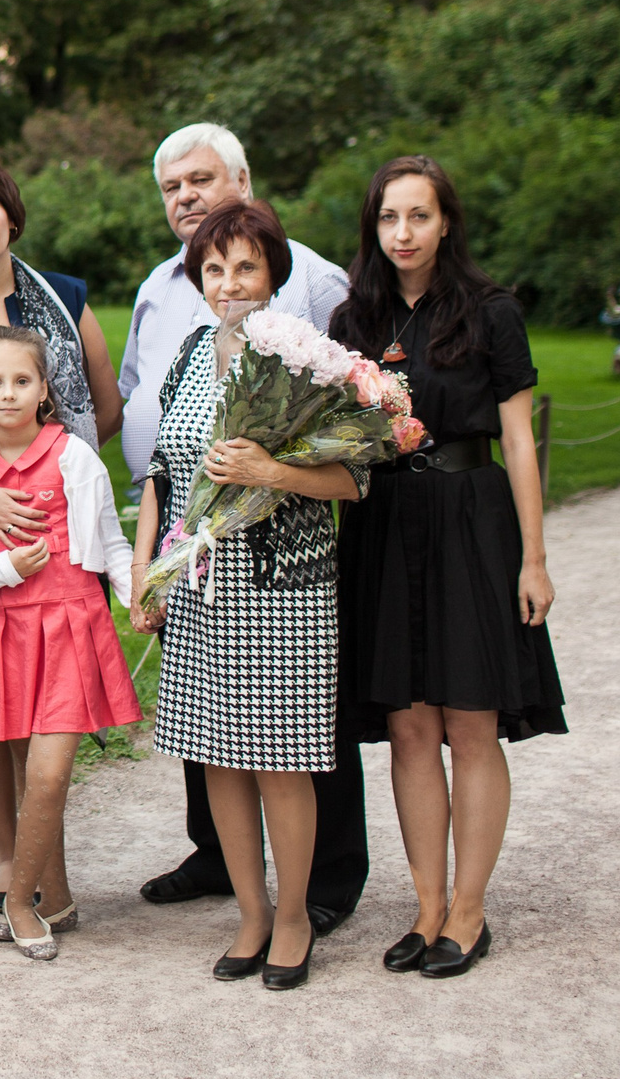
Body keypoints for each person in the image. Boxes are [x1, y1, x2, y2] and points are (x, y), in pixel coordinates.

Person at [116, 121, 366, 926]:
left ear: (271, 271)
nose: (228, 281)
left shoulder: (300, 346)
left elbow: (354, 470)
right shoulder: (188, 345)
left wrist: (270, 472)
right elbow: (163, 469)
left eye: (244, 266)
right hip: (197, 585)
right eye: (215, 269)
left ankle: (297, 914)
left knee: (287, 759)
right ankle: (252, 913)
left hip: (283, 583)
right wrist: (146, 569)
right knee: (216, 756)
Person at [328, 155, 563, 979]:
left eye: (418, 216)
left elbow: (521, 439)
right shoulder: (354, 318)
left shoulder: (492, 312)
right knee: (409, 723)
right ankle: (426, 905)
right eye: (389, 219)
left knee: (470, 719)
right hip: (384, 525)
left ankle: (470, 908)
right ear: (374, 227)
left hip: (471, 516)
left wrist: (534, 557)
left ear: (446, 221)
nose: (403, 234)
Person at [0, 154, 122, 914]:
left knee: (51, 702)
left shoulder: (65, 298)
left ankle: (48, 866)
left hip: (60, 532)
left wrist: (52, 481)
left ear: (9, 211)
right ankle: (10, 856)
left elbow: (102, 406)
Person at [0, 327, 137, 961]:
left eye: (23, 380)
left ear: (45, 389)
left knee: (49, 777)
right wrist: (5, 572)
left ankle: (19, 902)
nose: (9, 392)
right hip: (10, 628)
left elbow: (111, 543)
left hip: (71, 620)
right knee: (27, 773)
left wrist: (139, 595)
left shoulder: (75, 456)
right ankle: (60, 898)